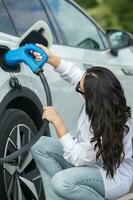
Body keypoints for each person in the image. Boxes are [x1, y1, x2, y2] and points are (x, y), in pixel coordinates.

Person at [31, 44, 133, 200]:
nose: (77, 85)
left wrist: (58, 123)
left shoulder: (108, 126)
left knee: (62, 182)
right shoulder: (103, 94)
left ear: (92, 98)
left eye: (80, 88)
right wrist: (49, 56)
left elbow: (76, 157)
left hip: (111, 176)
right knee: (40, 146)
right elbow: (72, 73)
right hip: (89, 162)